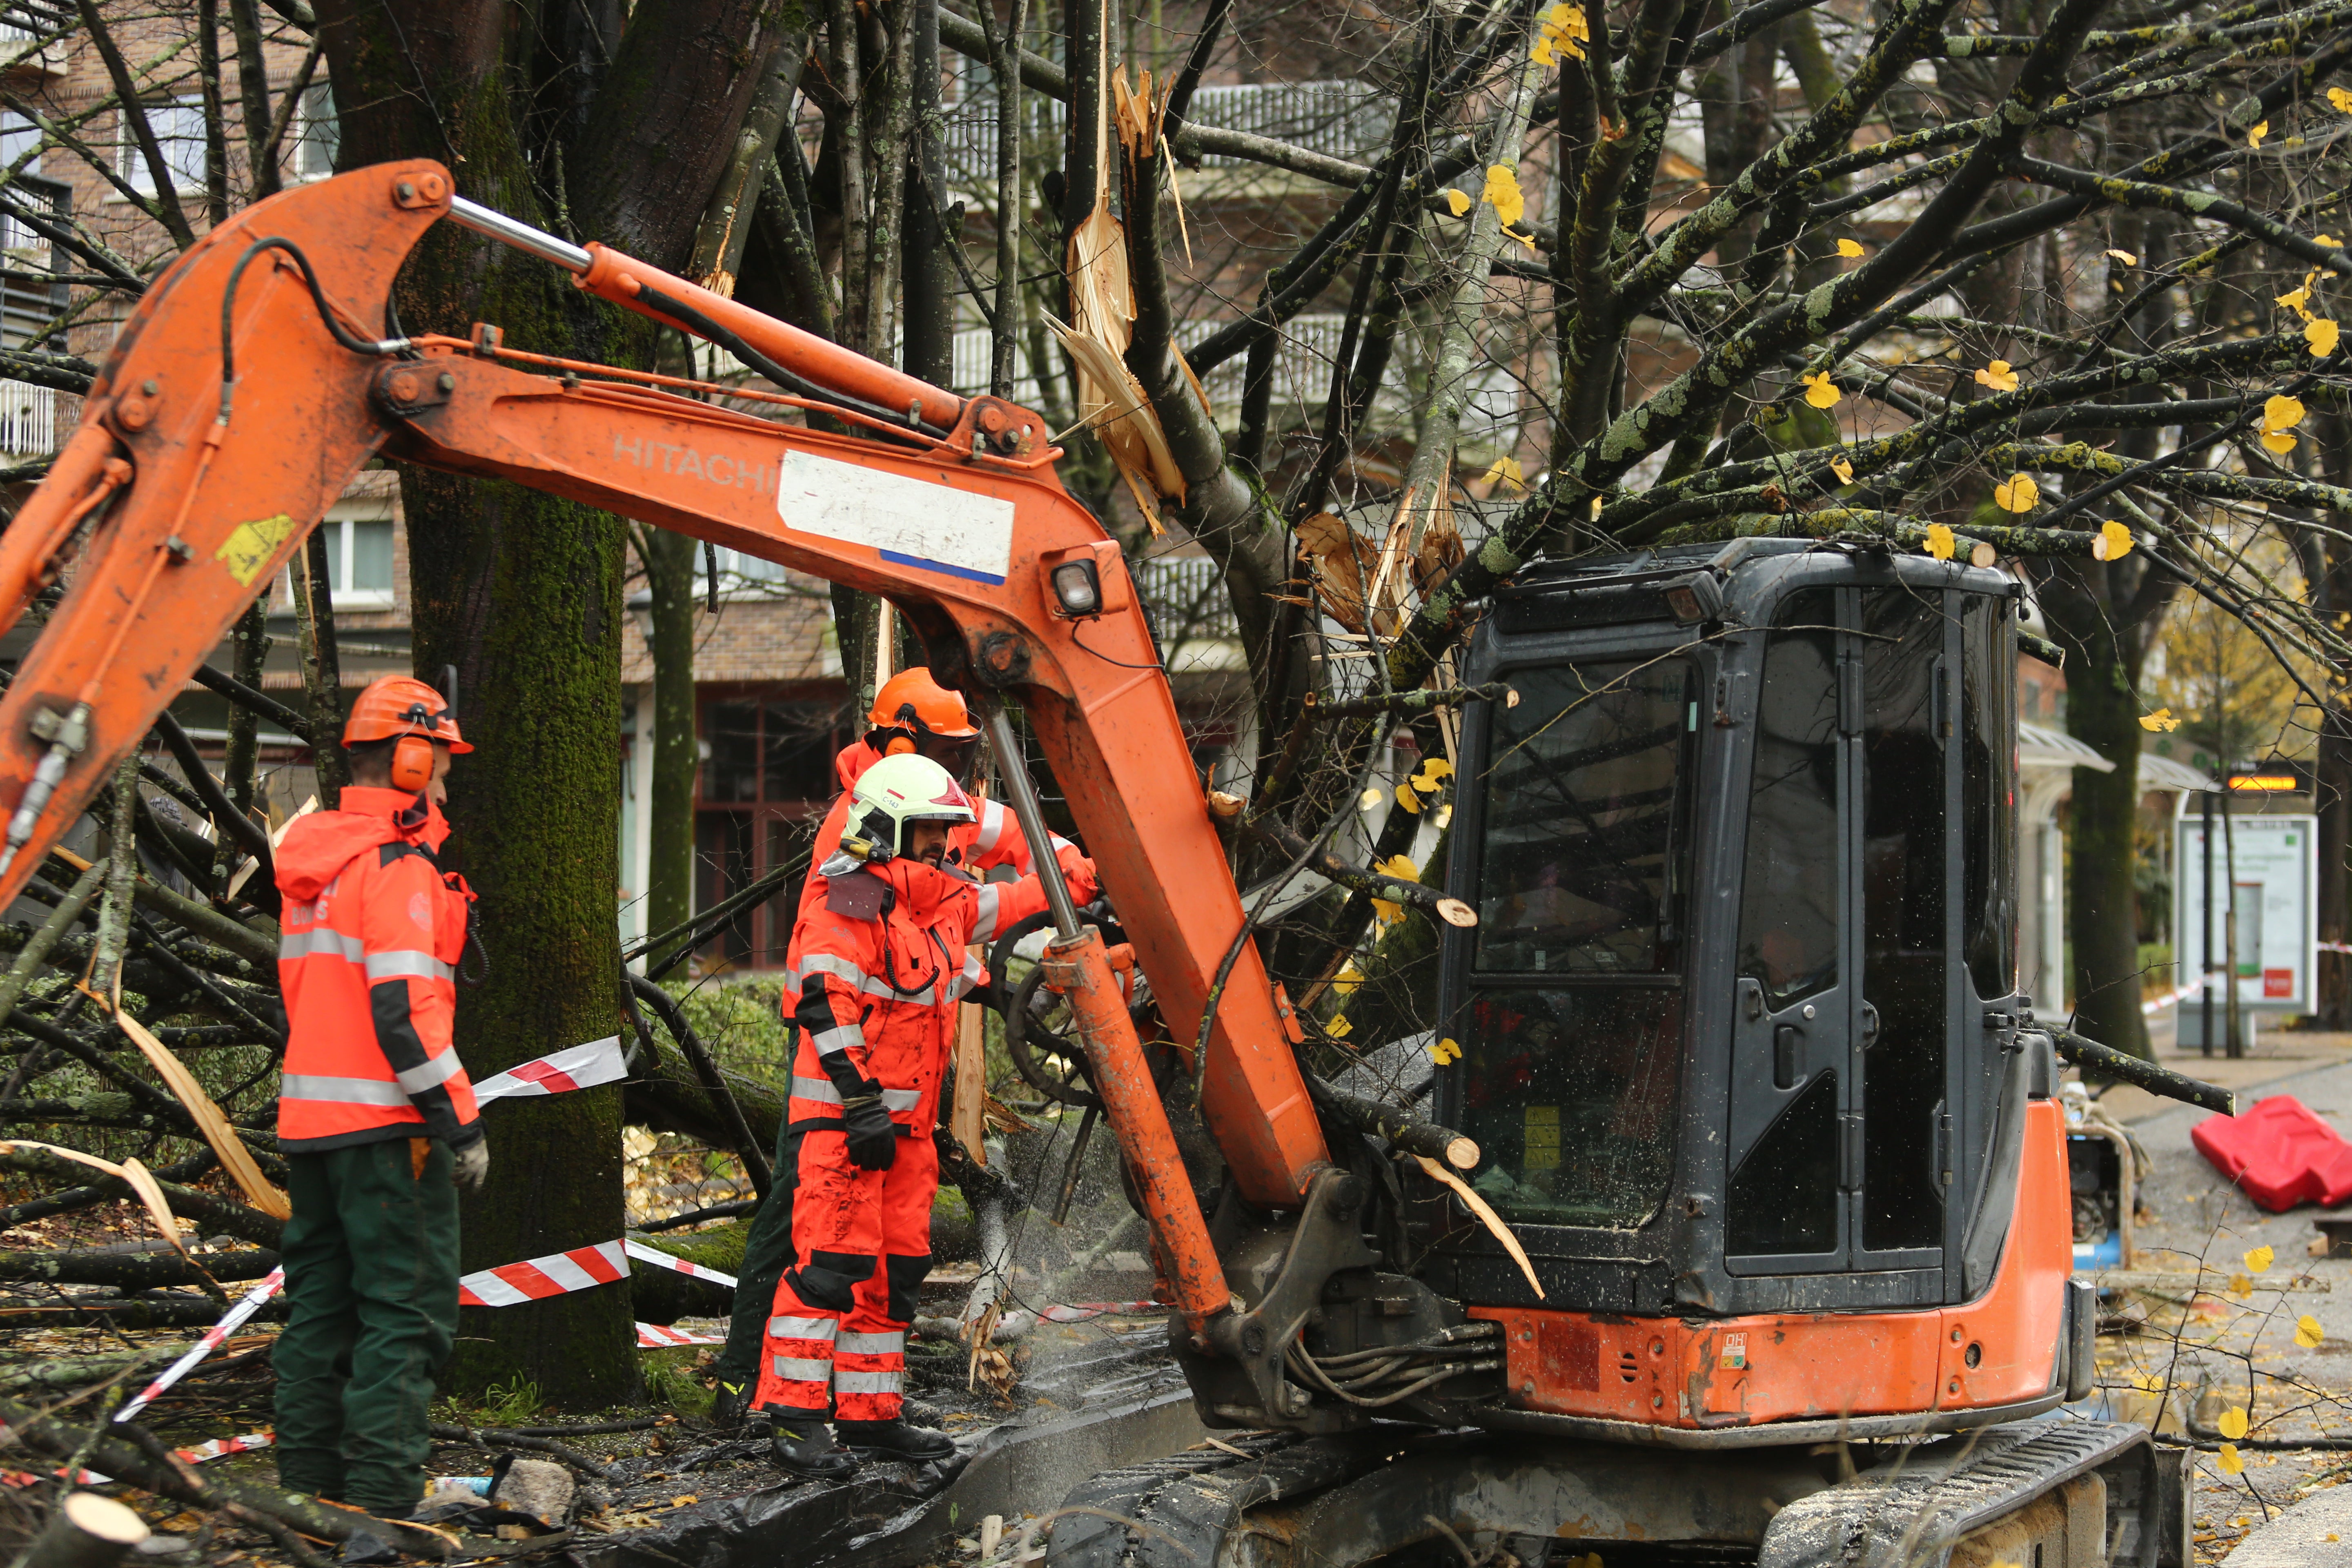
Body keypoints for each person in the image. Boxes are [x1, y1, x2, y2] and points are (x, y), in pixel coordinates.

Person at [709, 668, 1087, 1424]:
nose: (957, 786)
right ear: (908, 743)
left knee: (893, 1263)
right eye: (948, 754)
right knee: (811, 1229)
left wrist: (1061, 876)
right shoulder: (868, 838)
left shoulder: (919, 826)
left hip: (900, 1091)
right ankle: (756, 1389)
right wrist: (856, 1100)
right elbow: (852, 970)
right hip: (846, 1066)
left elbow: (969, 894)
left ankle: (867, 1410)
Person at [272, 676, 487, 1519]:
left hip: (311, 1126)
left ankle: (307, 1501)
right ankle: (378, 1508)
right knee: (404, 1316)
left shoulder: (318, 867)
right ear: (409, 758)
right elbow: (404, 1011)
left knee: (319, 1310)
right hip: (389, 1131)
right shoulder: (396, 869)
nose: (442, 780)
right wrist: (458, 1121)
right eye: (438, 761)